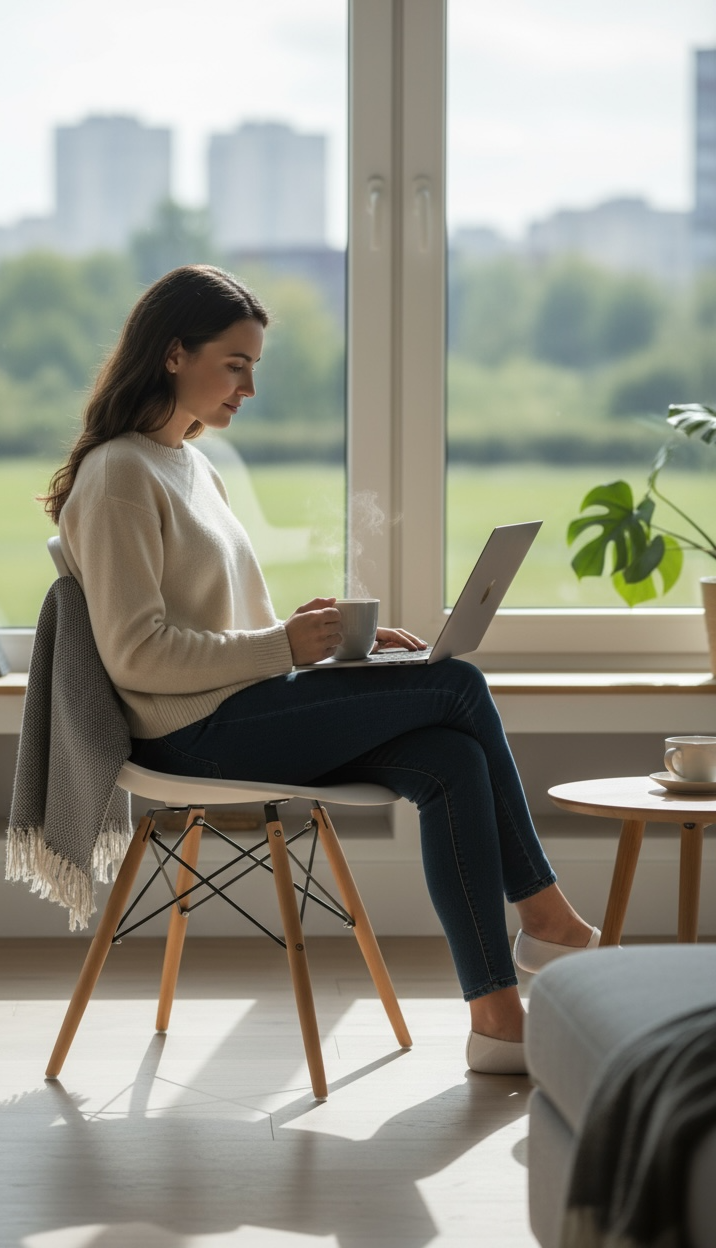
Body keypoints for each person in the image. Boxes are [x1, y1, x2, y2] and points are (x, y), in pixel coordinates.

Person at [45, 264, 599, 1076]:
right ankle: (549, 919)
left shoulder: (191, 466)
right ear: (172, 355)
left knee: (450, 759)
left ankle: (495, 1018)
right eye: (235, 364)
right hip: (187, 735)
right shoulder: (121, 474)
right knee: (456, 685)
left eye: (253, 368)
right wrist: (284, 649)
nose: (249, 388)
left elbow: (214, 629)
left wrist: (317, 640)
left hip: (237, 709)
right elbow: (137, 654)